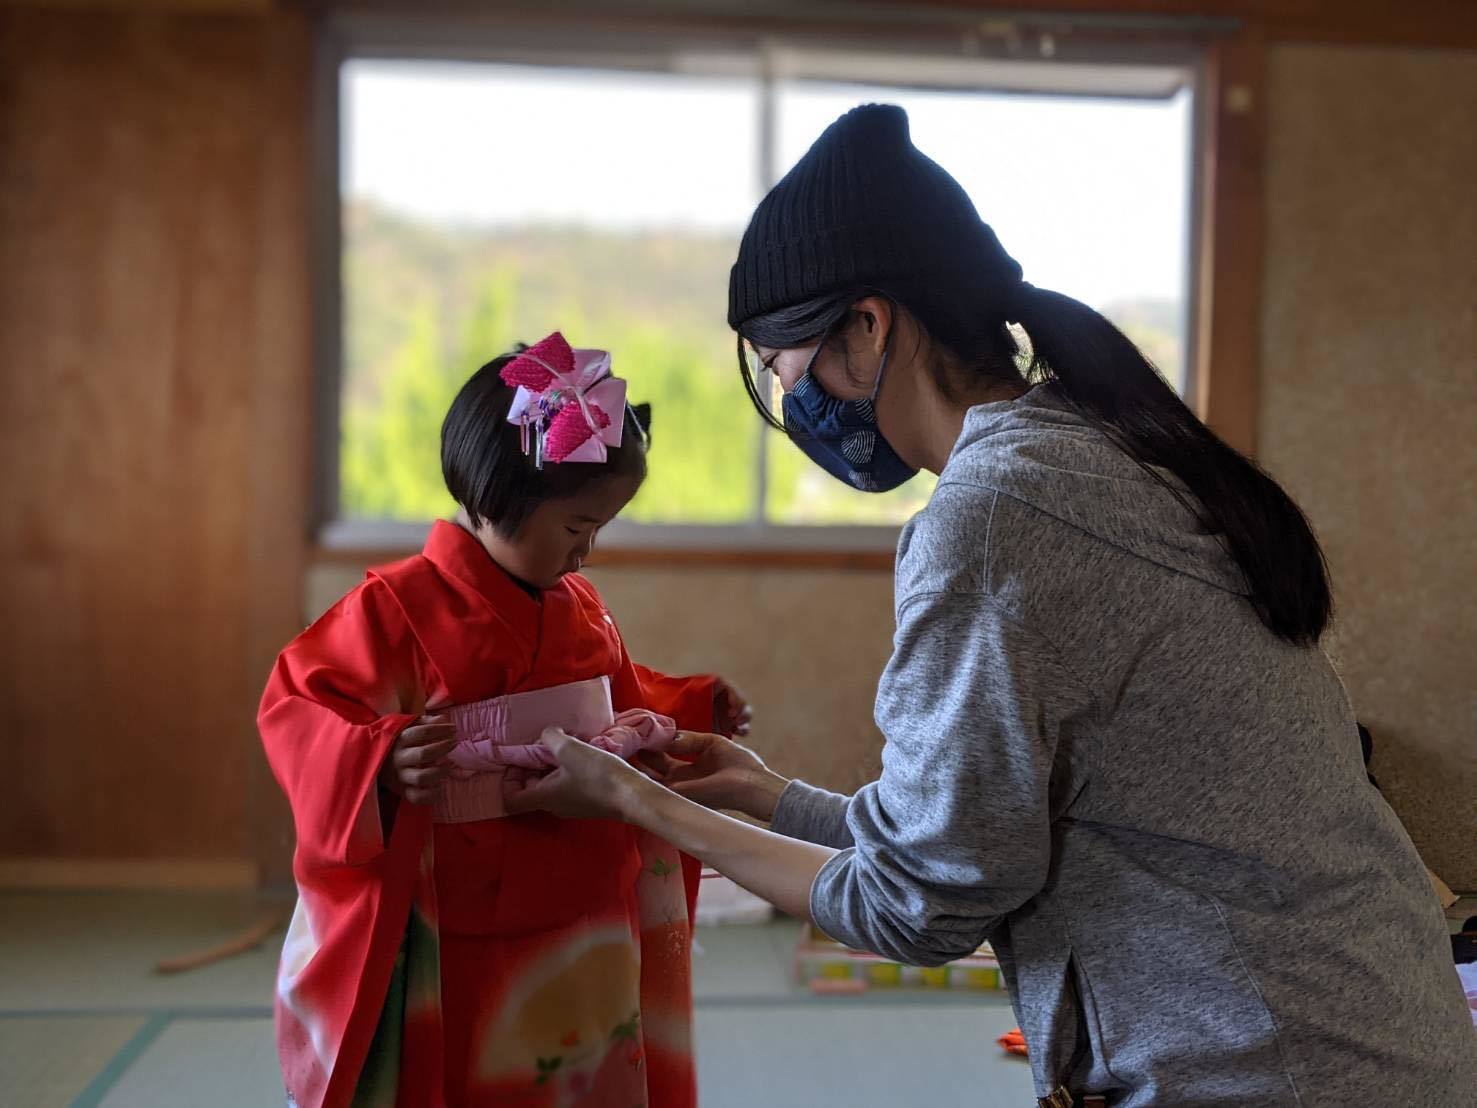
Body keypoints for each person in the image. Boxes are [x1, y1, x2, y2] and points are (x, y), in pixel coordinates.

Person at [505, 106, 1477, 1106]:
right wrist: (764, 793)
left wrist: (640, 804)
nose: (788, 398)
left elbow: (919, 906)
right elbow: (975, 835)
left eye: (783, 365)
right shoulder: (1097, 450)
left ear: (868, 325)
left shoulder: (993, 517)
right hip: (1370, 1030)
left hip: (1279, 1064)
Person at [260, 333, 750, 1108]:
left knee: (583, 1068)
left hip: (583, 906)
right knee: (469, 1071)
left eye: (598, 530)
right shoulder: (393, 610)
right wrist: (382, 760)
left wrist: (688, 708)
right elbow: (298, 709)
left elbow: (620, 705)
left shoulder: (582, 609)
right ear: (496, 496)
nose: (586, 553)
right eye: (573, 527)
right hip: (457, 915)